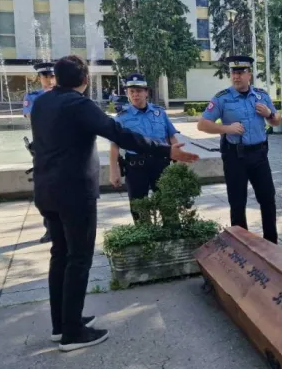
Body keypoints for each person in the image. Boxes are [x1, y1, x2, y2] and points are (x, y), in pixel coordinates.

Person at [31, 55, 199, 352]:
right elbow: (119, 134)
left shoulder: (42, 103)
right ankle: (72, 333)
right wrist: (166, 150)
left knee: (60, 254)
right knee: (78, 258)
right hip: (74, 194)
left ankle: (62, 323)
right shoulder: (79, 104)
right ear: (84, 80)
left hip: (46, 191)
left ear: (56, 78)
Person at [198, 55, 281, 243]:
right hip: (235, 157)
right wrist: (226, 128)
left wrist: (270, 114)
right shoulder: (222, 99)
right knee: (237, 203)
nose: (236, 77)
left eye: (240, 72)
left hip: (259, 155)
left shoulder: (261, 96)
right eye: (233, 73)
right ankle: (241, 246)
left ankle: (272, 243)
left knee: (268, 199)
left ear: (249, 74)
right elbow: (202, 124)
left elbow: (277, 122)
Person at [109, 72, 180, 222]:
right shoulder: (122, 117)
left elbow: (171, 137)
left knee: (168, 205)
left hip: (161, 164)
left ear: (146, 92)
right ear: (127, 93)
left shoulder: (159, 113)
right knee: (139, 208)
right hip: (135, 167)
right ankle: (145, 241)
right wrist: (114, 170)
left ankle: (173, 238)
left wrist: (180, 161)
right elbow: (114, 146)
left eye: (139, 91)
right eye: (132, 91)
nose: (135, 95)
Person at [23, 61, 57, 244]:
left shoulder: (65, 95)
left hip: (63, 150)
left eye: (52, 76)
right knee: (45, 192)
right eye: (45, 76)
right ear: (40, 78)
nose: (49, 80)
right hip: (43, 150)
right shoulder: (33, 97)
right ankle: (50, 229)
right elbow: (32, 118)